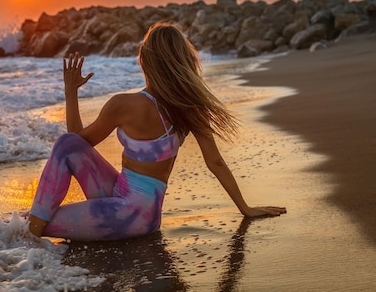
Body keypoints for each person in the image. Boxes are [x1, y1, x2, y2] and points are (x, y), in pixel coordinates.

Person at [27, 22, 286, 240]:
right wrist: (245, 208)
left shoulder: (124, 105)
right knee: (35, 209)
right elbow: (215, 162)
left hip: (127, 215)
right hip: (141, 211)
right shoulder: (190, 106)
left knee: (33, 223)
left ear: (144, 59)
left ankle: (27, 242)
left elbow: (72, 143)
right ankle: (29, 230)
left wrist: (70, 92)